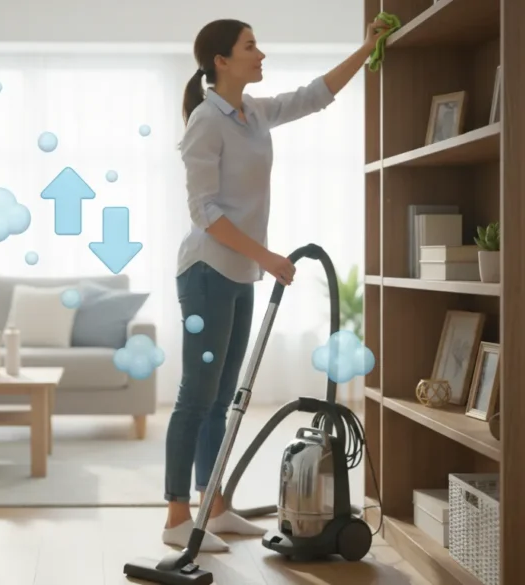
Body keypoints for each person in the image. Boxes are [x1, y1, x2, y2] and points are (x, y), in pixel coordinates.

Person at [162, 17, 391, 551]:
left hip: (239, 272)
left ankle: (213, 506)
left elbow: (314, 96)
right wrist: (267, 256)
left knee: (222, 399)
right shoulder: (206, 121)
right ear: (221, 60)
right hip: (206, 272)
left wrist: (367, 49)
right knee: (195, 398)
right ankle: (177, 514)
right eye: (250, 46)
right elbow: (204, 211)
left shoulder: (253, 112)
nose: (260, 53)